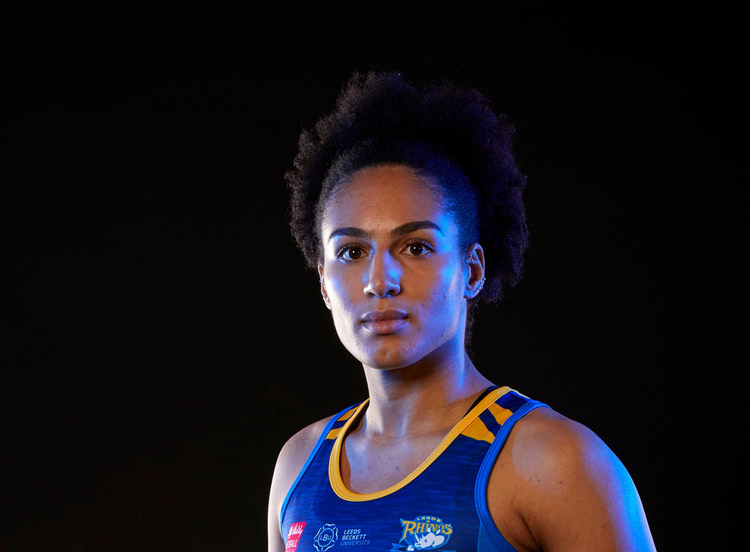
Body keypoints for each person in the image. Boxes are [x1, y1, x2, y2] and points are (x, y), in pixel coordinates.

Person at [267, 71, 656, 552]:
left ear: (472, 270)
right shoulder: (299, 468)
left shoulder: (553, 461)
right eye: (351, 252)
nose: (379, 280)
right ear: (325, 283)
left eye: (415, 247)